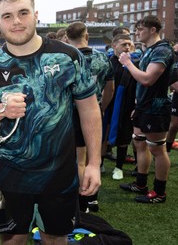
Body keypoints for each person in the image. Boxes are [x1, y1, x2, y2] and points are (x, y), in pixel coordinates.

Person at [0, 0, 102, 245]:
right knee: (12, 240)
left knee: (55, 238)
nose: (16, 21)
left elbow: (89, 109)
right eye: (7, 16)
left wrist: (94, 163)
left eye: (23, 13)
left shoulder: (67, 56)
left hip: (59, 173)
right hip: (10, 175)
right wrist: (1, 111)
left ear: (36, 15)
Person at [119, 16, 175, 204]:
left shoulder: (162, 50)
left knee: (158, 150)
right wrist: (137, 105)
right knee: (140, 144)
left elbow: (147, 79)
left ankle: (159, 192)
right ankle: (141, 183)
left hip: (156, 108)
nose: (137, 33)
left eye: (140, 29)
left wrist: (127, 63)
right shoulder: (150, 50)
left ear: (153, 30)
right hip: (144, 106)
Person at [66, 21, 114, 213]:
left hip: (73, 113)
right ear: (86, 36)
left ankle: (82, 200)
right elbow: (110, 88)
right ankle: (92, 199)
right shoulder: (103, 58)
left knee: (79, 160)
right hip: (96, 111)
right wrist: (102, 107)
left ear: (68, 39)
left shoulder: (68, 59)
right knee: (91, 159)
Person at [106, 34, 140, 180]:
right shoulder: (107, 63)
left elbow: (140, 86)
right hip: (108, 104)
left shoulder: (135, 63)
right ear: (114, 45)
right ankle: (100, 163)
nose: (127, 47)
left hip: (127, 105)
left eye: (129, 44)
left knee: (124, 137)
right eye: (123, 44)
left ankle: (119, 167)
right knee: (102, 135)